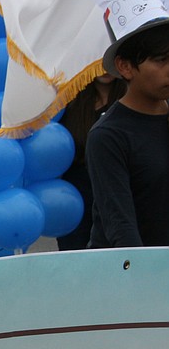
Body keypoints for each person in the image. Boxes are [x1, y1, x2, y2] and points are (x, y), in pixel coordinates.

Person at [86, 0, 169, 248]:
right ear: (125, 66)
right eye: (161, 60)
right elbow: (119, 225)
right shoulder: (108, 136)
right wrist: (143, 279)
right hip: (131, 277)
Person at [57, 74, 125, 249]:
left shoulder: (130, 102)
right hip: (76, 198)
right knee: (75, 265)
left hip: (118, 194)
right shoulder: (71, 103)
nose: (103, 67)